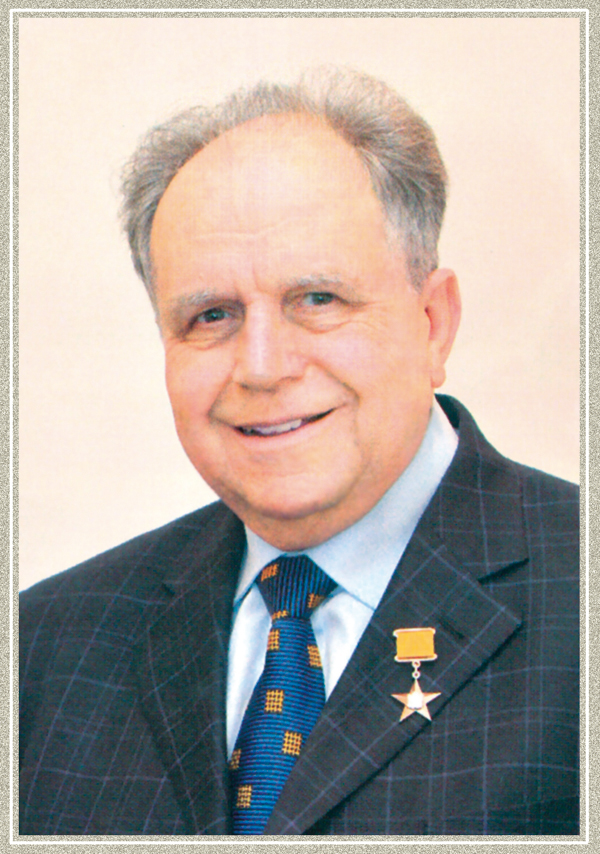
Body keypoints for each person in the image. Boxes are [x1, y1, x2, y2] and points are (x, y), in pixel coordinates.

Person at [19, 68, 579, 836]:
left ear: (433, 323)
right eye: (211, 315)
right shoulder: (44, 650)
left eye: (318, 300)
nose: (261, 366)